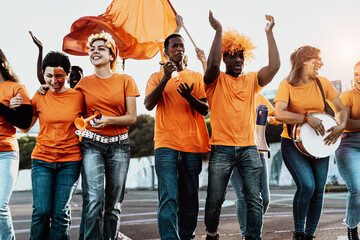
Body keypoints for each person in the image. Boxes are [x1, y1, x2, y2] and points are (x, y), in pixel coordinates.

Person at [203, 11, 280, 240]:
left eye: (241, 56)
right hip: (221, 149)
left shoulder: (251, 81)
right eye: (232, 56)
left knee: (254, 199)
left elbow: (274, 66)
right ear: (225, 59)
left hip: (249, 148)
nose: (238, 60)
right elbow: (212, 63)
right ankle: (212, 232)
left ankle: (252, 238)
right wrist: (219, 31)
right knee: (215, 199)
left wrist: (269, 33)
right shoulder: (213, 81)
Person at [274, 45, 348, 240]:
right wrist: (305, 118)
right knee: (307, 186)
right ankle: (298, 233)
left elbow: (341, 109)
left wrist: (341, 125)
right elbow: (279, 113)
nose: (321, 64)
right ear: (305, 61)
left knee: (318, 191)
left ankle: (309, 235)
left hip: (319, 145)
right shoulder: (286, 85)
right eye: (317, 59)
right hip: (292, 143)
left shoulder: (322, 83)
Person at [144, 33, 210, 240]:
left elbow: (205, 110)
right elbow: (148, 104)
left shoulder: (196, 76)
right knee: (169, 196)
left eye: (181, 46)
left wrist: (188, 96)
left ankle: (186, 235)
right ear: (166, 52)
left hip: (192, 144)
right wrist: (165, 78)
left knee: (190, 196)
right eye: (174, 46)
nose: (179, 49)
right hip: (166, 144)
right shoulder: (156, 77)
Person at [12, 51, 84, 239]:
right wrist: (14, 108)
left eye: (59, 76)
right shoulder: (39, 97)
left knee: (60, 213)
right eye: (49, 76)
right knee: (41, 212)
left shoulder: (78, 97)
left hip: (70, 162)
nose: (54, 81)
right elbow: (25, 127)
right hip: (42, 160)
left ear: (67, 75)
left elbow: (89, 121)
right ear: (43, 74)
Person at [75, 32, 139, 240]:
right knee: (94, 200)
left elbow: (131, 117)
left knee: (113, 205)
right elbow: (67, 103)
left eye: (101, 48)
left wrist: (109, 120)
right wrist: (44, 87)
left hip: (119, 146)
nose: (95, 51)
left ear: (112, 55)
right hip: (91, 145)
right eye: (92, 49)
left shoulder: (125, 80)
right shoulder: (83, 84)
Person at [230, 93, 281, 239]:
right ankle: (247, 235)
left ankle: (251, 229)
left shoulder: (257, 95)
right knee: (242, 195)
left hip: (256, 151)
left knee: (264, 199)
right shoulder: (227, 94)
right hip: (232, 152)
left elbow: (277, 116)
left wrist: (269, 119)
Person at [0, 49, 33, 239]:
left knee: (0, 206)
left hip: (5, 153)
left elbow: (25, 123)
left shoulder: (16, 88)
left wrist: (4, 108)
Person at [334, 61, 360, 240]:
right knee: (357, 189)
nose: (359, 77)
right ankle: (352, 228)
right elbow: (343, 123)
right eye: (356, 74)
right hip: (349, 145)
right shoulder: (347, 95)